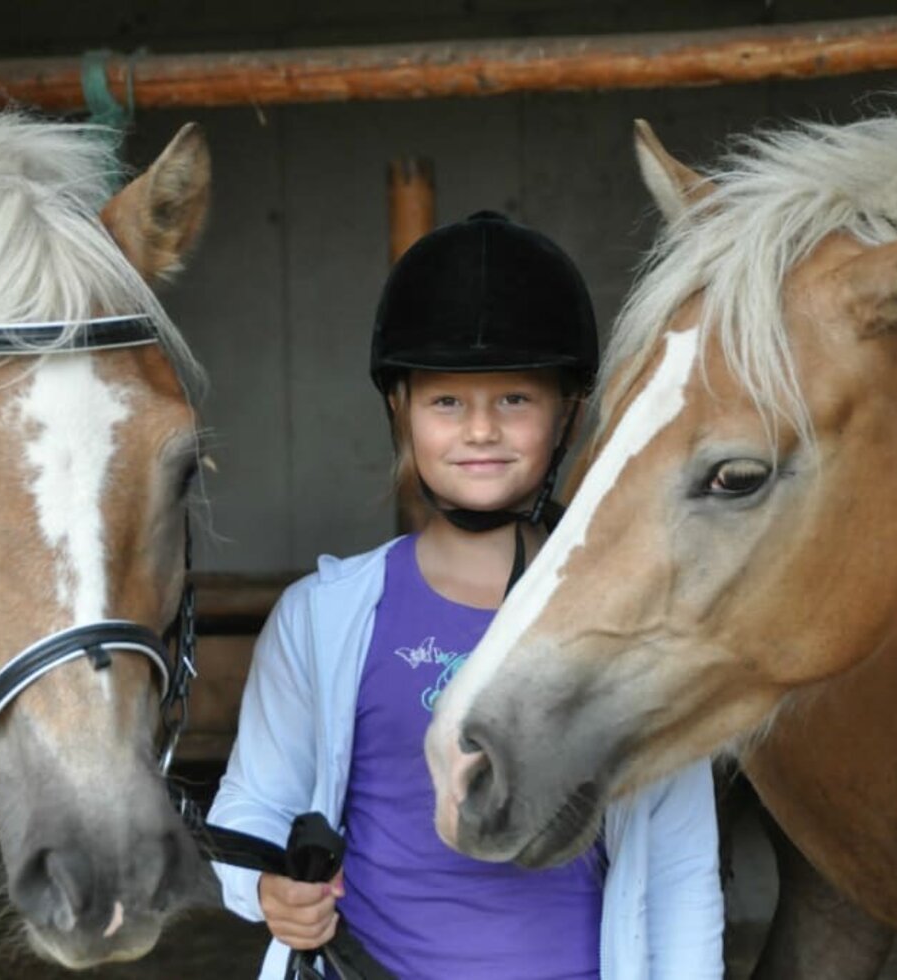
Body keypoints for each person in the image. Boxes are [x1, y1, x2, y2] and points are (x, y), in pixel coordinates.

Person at [209, 211, 724, 979]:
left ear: (568, 413)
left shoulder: (637, 624)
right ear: (400, 410)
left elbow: (682, 867)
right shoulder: (322, 617)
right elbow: (249, 812)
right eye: (447, 402)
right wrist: (266, 888)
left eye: (515, 399)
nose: (480, 429)